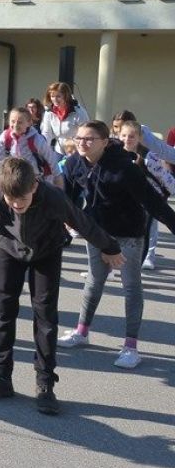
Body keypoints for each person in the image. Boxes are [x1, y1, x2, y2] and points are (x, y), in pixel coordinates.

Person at [0, 157, 123, 415]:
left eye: (22, 199)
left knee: (45, 315)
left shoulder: (52, 197)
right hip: (9, 250)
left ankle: (45, 382)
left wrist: (110, 247)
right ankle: (0, 376)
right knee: (3, 311)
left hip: (46, 252)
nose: (16, 204)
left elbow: (81, 221)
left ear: (34, 186)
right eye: (11, 200)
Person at [57, 121, 175, 369]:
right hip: (97, 234)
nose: (82, 143)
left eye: (89, 139)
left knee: (131, 287)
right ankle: (81, 332)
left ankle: (131, 347)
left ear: (104, 141)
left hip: (128, 234)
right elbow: (67, 198)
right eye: (79, 138)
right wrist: (67, 222)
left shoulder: (124, 168)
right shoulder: (74, 163)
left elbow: (153, 202)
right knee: (93, 281)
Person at [116, 120, 175, 271]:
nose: (127, 139)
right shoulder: (114, 154)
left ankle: (135, 268)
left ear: (140, 138)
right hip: (125, 199)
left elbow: (167, 179)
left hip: (150, 199)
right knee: (119, 232)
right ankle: (112, 268)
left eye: (132, 136)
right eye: (124, 135)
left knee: (143, 233)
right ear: (118, 135)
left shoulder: (149, 157)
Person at [0, 106, 60, 185]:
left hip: (36, 179)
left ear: (29, 123)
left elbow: (51, 159)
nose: (15, 125)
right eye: (12, 121)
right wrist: (0, 177)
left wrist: (57, 178)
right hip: (13, 178)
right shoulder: (4, 138)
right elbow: (0, 160)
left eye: (20, 122)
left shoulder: (37, 140)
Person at [39, 81, 88, 153]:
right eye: (52, 96)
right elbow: (46, 133)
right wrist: (43, 148)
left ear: (66, 96)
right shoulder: (49, 112)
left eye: (58, 96)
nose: (55, 99)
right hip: (59, 150)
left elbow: (85, 133)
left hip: (76, 149)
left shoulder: (79, 112)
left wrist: (76, 146)